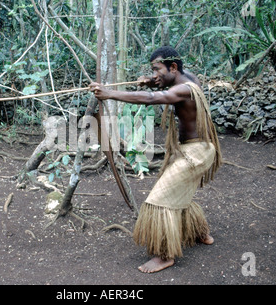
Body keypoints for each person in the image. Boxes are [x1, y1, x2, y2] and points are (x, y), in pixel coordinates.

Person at [90, 46, 222, 273]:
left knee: (159, 200)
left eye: (156, 69)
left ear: (172, 67)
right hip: (199, 150)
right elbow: (162, 86)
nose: (154, 73)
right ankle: (199, 233)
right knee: (181, 192)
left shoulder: (183, 89)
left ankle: (165, 255)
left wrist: (109, 93)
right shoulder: (188, 77)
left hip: (195, 153)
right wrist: (153, 81)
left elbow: (153, 99)